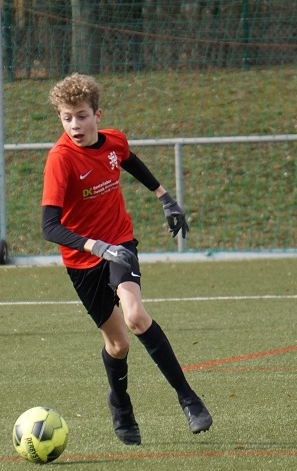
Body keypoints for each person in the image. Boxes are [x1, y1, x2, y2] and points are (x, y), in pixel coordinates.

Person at [41, 73, 212, 445]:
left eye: (82, 116)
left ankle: (189, 399)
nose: (75, 125)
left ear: (97, 115)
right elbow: (49, 227)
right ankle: (120, 404)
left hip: (119, 243)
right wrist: (94, 247)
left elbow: (129, 160)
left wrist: (165, 198)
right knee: (118, 345)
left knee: (135, 315)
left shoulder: (114, 141)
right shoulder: (60, 160)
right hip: (82, 260)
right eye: (67, 118)